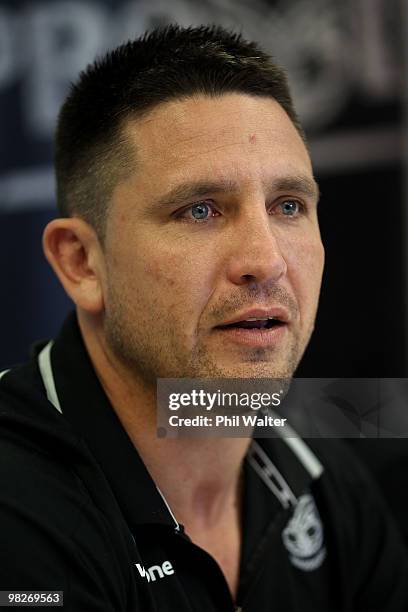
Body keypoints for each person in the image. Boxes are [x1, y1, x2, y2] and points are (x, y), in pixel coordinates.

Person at [0, 24, 406, 611]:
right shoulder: (18, 507)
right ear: (82, 262)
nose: (265, 261)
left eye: (289, 206)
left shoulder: (324, 478)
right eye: (200, 211)